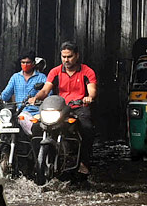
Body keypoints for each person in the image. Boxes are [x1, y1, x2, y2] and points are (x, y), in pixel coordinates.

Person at [30, 40, 97, 174]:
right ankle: (37, 160)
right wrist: (36, 98)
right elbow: (45, 90)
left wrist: (89, 97)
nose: (66, 60)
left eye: (69, 56)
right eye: (63, 57)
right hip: (59, 107)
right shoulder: (55, 72)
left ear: (76, 55)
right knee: (36, 126)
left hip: (78, 107)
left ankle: (84, 162)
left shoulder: (87, 72)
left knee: (87, 128)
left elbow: (92, 90)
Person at [0, 51, 45, 135]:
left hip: (37, 113)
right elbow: (6, 93)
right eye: (23, 62)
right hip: (20, 112)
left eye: (28, 62)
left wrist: (36, 99)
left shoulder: (41, 77)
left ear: (33, 63)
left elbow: (47, 94)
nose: (25, 65)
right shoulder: (15, 77)